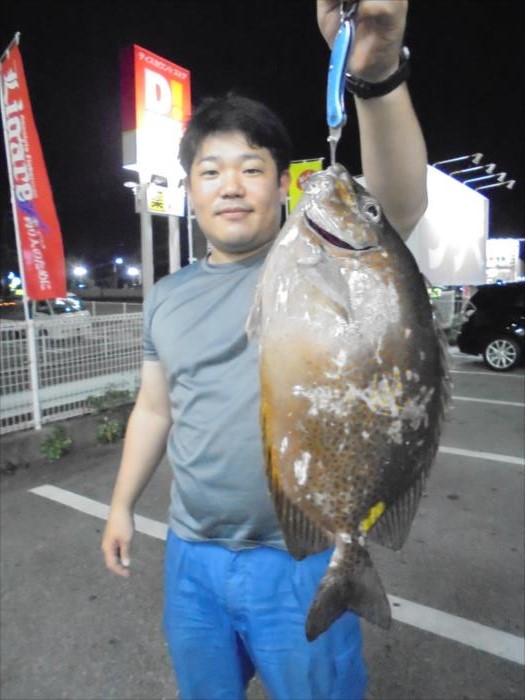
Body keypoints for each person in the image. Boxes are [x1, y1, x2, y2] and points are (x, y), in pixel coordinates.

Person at [101, 1, 428, 698]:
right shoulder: (166, 296)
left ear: (283, 186)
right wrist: (122, 505)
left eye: (251, 169)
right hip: (190, 554)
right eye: (211, 171)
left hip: (299, 558)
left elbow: (396, 204)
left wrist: (373, 77)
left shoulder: (320, 261)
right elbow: (154, 410)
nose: (231, 186)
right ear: (190, 191)